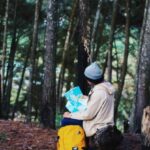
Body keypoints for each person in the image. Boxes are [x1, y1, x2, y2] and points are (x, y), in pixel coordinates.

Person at [62, 62, 115, 139]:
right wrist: (86, 98)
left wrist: (70, 115)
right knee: (75, 99)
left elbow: (88, 115)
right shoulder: (106, 85)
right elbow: (99, 102)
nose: (87, 81)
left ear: (91, 80)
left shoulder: (99, 92)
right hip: (102, 120)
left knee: (65, 121)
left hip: (97, 124)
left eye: (88, 79)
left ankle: (80, 144)